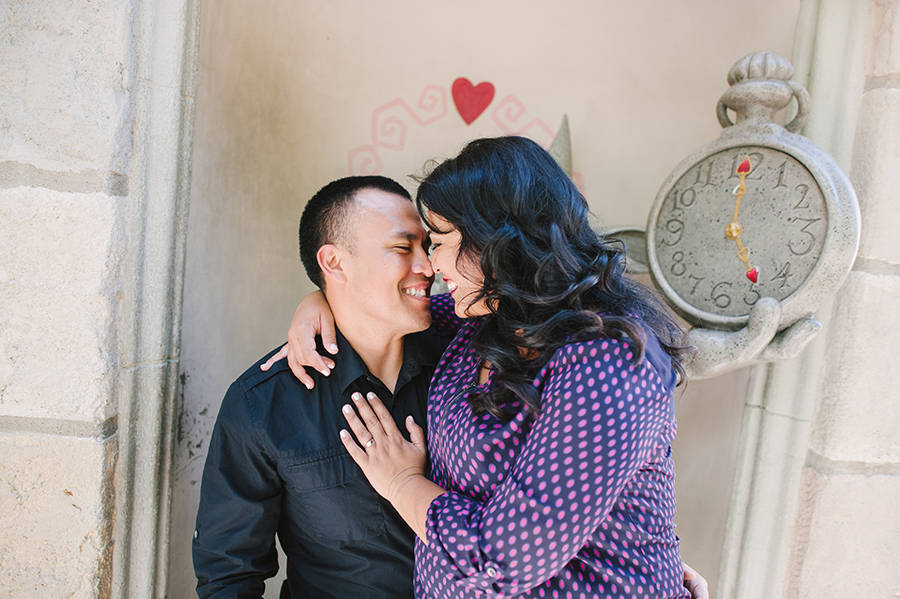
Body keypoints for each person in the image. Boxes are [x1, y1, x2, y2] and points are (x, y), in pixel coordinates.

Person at [280, 136, 703, 598]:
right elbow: (382, 310)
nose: (432, 266)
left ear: (497, 240)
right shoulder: (483, 322)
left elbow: (503, 561)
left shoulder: (607, 361)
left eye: (438, 242)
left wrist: (402, 482)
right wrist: (318, 298)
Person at [192, 175, 452, 598]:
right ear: (334, 263)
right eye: (404, 248)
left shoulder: (465, 365)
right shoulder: (263, 404)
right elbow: (229, 574)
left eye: (427, 246)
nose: (429, 266)